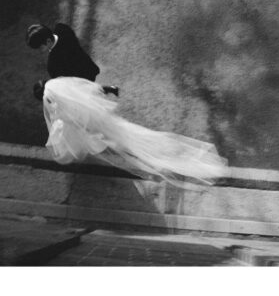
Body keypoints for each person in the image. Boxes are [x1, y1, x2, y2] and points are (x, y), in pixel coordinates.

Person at [42, 77, 228, 189]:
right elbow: (82, 88)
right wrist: (107, 88)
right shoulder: (57, 84)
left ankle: (190, 163)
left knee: (137, 145)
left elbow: (71, 117)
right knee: (139, 139)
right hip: (103, 121)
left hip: (101, 125)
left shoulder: (51, 94)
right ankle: (183, 157)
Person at [26, 23, 119, 100]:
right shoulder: (62, 28)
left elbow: (66, 82)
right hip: (87, 66)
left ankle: (110, 90)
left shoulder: (53, 65)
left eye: (40, 48)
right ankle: (111, 89)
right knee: (92, 89)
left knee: (90, 94)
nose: (40, 51)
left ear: (48, 41)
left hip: (81, 80)